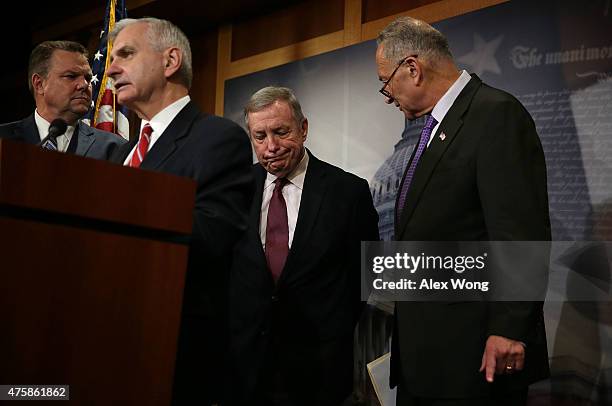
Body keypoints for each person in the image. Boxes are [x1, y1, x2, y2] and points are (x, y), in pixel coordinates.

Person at [375, 17, 551, 406]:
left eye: (387, 83)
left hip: (471, 357)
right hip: (429, 355)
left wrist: (509, 328)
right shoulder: (434, 128)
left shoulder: (494, 114)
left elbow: (519, 232)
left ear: (413, 68)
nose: (388, 97)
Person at [106, 17, 253, 405]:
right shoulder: (122, 153)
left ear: (170, 61)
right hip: (109, 346)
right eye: (111, 58)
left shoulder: (217, 138)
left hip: (176, 360)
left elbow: (212, 235)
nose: (112, 69)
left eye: (126, 54)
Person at [228, 86, 380, 406]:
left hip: (319, 372)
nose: (270, 146)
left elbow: (364, 281)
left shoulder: (348, 192)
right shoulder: (235, 190)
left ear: (303, 128)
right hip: (246, 371)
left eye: (281, 132)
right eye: (259, 136)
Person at [0, 40, 125, 159]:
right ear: (39, 84)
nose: (84, 85)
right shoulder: (3, 138)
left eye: (88, 78)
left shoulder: (114, 147)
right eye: (71, 76)